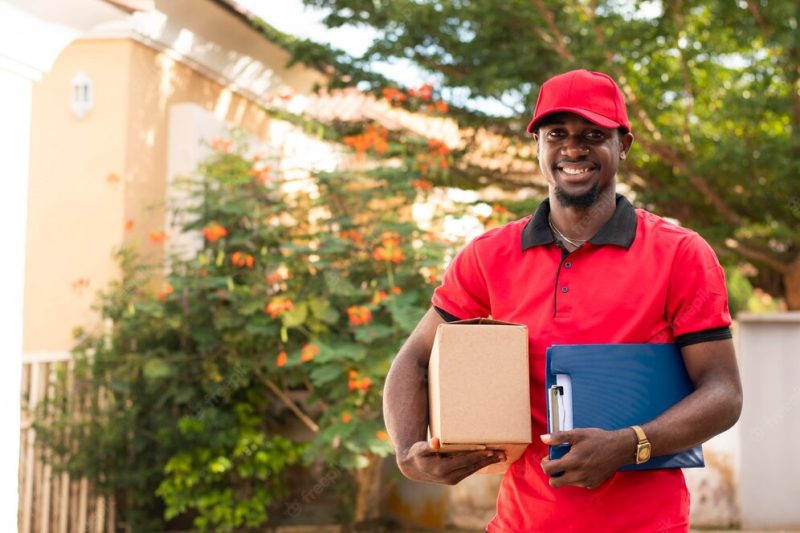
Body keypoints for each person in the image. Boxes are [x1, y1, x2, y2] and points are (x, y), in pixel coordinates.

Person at [382, 69, 743, 532]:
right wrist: (409, 453)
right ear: (538, 145)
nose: (574, 148)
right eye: (557, 134)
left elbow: (723, 393)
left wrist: (629, 445)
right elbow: (414, 358)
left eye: (594, 134)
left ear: (623, 146)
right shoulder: (489, 256)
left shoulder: (681, 254)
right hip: (520, 523)